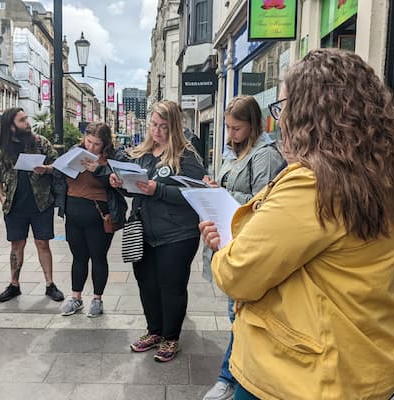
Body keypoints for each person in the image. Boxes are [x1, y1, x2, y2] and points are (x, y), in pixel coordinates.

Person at [200, 48, 394, 400]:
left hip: (300, 375)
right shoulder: (384, 173)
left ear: (308, 113)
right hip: (368, 362)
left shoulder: (313, 183)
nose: (281, 121)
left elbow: (238, 274)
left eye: (283, 108)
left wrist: (221, 248)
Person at [110, 100, 205, 363]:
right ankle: (154, 331)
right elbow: (135, 189)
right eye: (154, 125)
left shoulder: (187, 156)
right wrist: (120, 184)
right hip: (144, 232)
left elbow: (196, 194)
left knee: (171, 286)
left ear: (174, 127)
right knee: (147, 285)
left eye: (164, 126)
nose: (157, 131)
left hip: (177, 234)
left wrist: (158, 189)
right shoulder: (143, 154)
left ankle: (171, 337)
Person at [202, 96, 283, 400]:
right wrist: (215, 188)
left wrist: (223, 194)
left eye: (236, 128)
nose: (230, 134)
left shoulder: (266, 156)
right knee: (236, 314)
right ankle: (236, 374)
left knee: (240, 316)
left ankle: (230, 378)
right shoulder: (235, 151)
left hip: (248, 243)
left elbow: (262, 203)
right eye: (227, 127)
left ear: (252, 125)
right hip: (230, 239)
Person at [0, 107, 64, 303]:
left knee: (42, 243)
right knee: (16, 245)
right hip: (14, 206)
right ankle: (14, 284)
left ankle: (50, 284)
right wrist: (1, 197)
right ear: (11, 126)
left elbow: (58, 165)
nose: (27, 123)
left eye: (26, 119)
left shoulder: (40, 143)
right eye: (22, 120)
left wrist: (46, 169)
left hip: (41, 203)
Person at [54, 122, 127, 318]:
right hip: (73, 211)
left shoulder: (113, 157)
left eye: (96, 144)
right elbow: (59, 174)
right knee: (78, 257)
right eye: (89, 141)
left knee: (98, 257)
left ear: (105, 144)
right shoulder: (75, 151)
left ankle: (97, 299)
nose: (91, 147)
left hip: (99, 214)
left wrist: (98, 170)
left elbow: (122, 184)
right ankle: (76, 297)